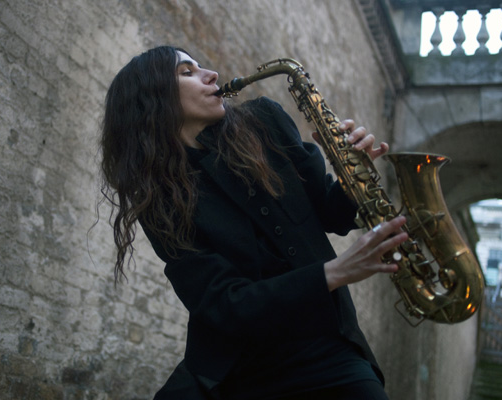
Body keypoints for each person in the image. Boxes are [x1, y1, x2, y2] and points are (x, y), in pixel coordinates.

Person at [100, 45, 408, 400]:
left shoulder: (266, 121)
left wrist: (354, 174)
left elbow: (330, 212)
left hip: (328, 347)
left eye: (201, 66)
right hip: (236, 369)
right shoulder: (159, 200)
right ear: (154, 100)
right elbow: (226, 304)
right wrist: (333, 272)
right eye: (187, 72)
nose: (211, 74)